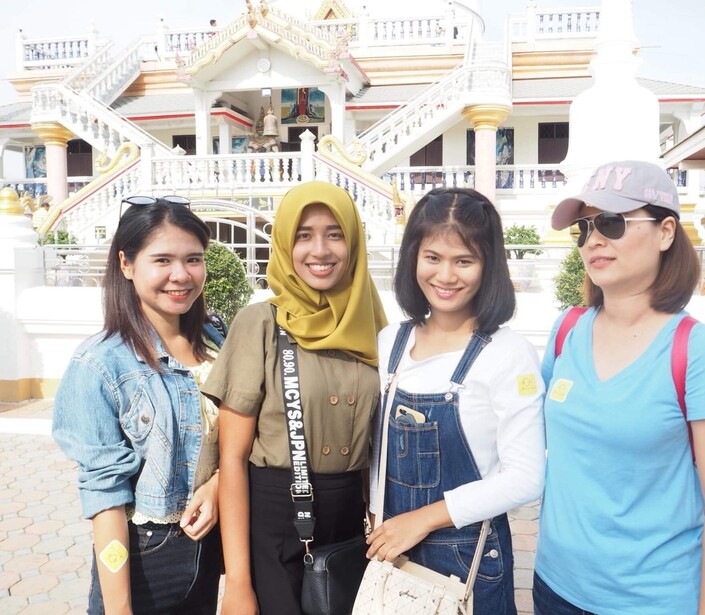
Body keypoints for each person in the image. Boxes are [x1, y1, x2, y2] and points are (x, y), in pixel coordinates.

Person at [534, 161, 705, 615]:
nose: (593, 240)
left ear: (666, 232)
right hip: (554, 586)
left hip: (651, 600)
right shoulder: (567, 329)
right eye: (584, 228)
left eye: (611, 222)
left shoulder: (699, 351)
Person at [203, 181, 387, 615]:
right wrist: (238, 584)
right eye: (304, 235)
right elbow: (232, 459)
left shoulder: (373, 327)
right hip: (275, 524)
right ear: (286, 243)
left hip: (349, 525)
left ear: (353, 242)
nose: (319, 250)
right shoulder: (261, 324)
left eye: (334, 234)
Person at [366, 187, 546, 613]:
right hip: (391, 548)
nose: (445, 276)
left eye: (464, 261)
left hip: (468, 560)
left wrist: (421, 520)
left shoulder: (508, 354)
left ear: (488, 266)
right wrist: (377, 514)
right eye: (433, 257)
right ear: (413, 257)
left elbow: (525, 478)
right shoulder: (391, 341)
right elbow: (379, 453)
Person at [52, 196, 225, 614]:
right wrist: (119, 608)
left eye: (194, 259)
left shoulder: (216, 339)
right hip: (147, 558)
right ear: (126, 264)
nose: (181, 275)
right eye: (162, 260)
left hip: (213, 549)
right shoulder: (100, 363)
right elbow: (105, 495)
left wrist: (218, 485)